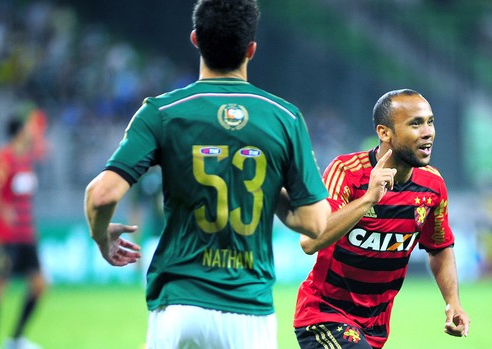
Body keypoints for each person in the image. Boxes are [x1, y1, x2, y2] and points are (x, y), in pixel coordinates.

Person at [83, 1, 331, 348]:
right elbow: (317, 222)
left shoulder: (162, 112)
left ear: (196, 39)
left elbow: (101, 195)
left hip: (178, 305)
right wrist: (268, 188)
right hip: (249, 311)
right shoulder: (284, 118)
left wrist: (100, 236)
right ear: (251, 49)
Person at [293, 89, 470, 349]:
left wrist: (452, 302)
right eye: (415, 123)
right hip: (324, 315)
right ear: (384, 132)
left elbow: (439, 247)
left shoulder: (432, 185)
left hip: (374, 327)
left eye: (430, 121)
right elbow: (309, 241)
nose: (428, 132)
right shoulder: (346, 172)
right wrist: (367, 200)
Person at [0, 116, 46, 349]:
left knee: (40, 285)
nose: (31, 132)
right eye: (27, 128)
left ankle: (16, 339)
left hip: (26, 235)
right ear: (19, 132)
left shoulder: (26, 160)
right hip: (6, 234)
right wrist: (3, 212)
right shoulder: (3, 157)